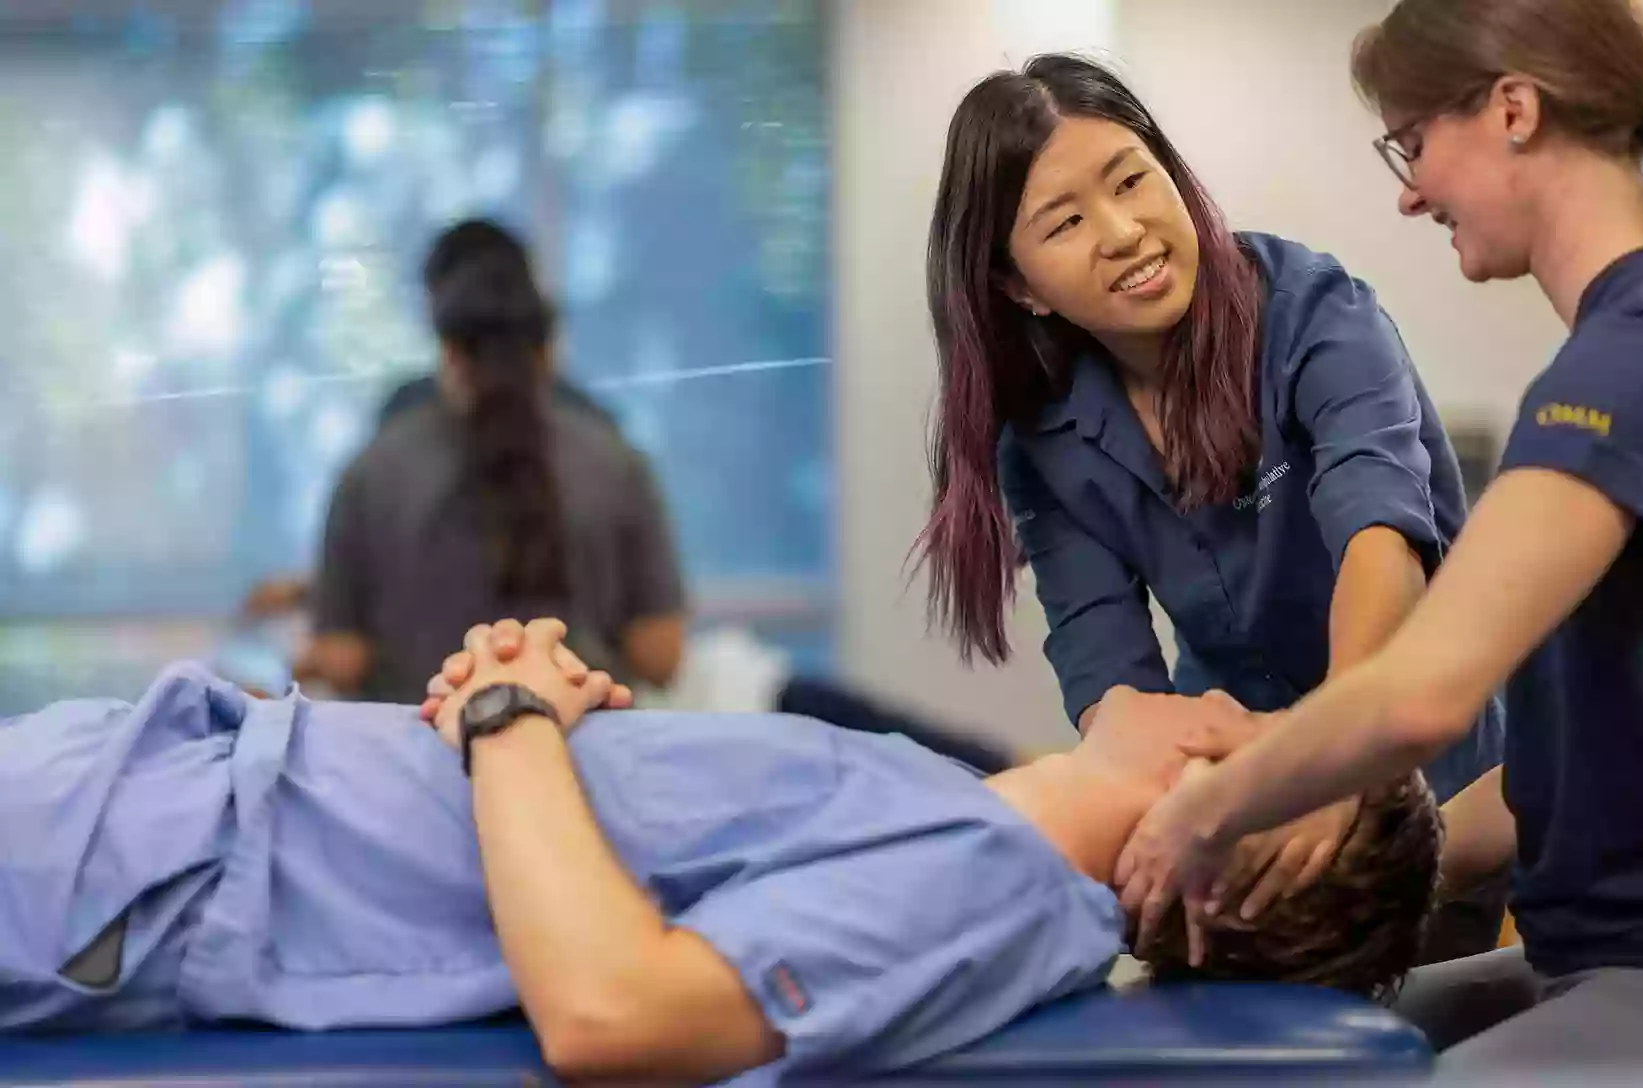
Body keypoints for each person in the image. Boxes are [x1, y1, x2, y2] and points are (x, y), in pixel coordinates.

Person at [1112, 0, 1643, 1069]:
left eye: (1414, 143)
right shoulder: (1628, 354)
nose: (1407, 190)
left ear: (1514, 110)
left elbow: (1424, 694)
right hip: (1615, 964)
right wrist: (1342, 852)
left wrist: (1202, 819)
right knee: (1287, 1055)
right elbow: (1549, 778)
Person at [0, 620, 1440, 1086]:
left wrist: (511, 714)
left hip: (142, 858)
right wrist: (515, 696)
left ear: (1221, 852)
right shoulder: (959, 814)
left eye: (1262, 741)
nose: (1217, 703)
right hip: (165, 791)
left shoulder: (986, 892)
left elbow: (615, 1014)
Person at [913, 52, 1505, 959]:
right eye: (1065, 222)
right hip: (1231, 786)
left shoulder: (1316, 314)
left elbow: (1378, 547)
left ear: (1173, 177)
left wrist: (1330, 768)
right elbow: (1112, 679)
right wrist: (1175, 823)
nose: (1122, 232)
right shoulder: (1044, 443)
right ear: (1018, 285)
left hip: (1411, 769)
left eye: (1131, 182)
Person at [300, 219, 687, 702]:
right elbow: (661, 653)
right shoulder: (617, 464)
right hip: (584, 761)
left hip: (421, 760)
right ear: (547, 350)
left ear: (447, 350)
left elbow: (341, 657)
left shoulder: (371, 470)